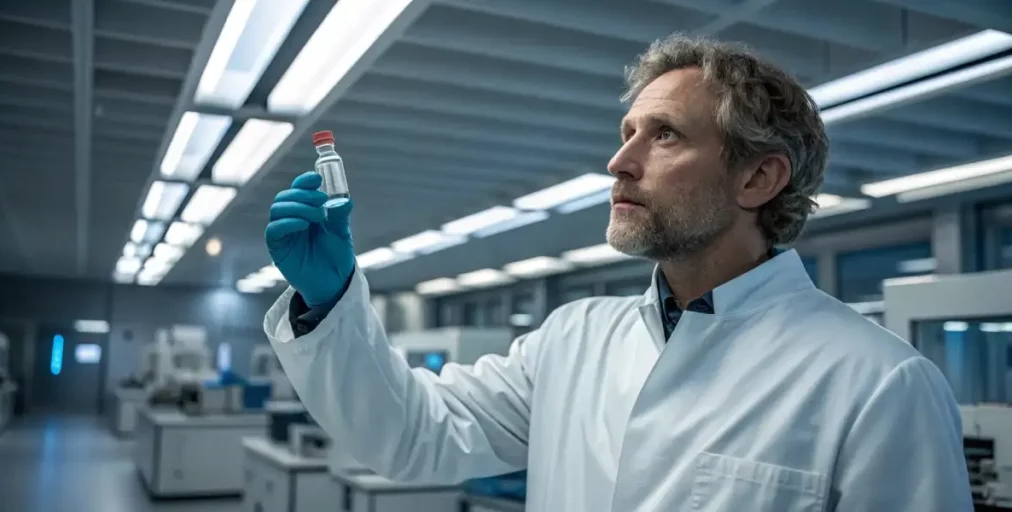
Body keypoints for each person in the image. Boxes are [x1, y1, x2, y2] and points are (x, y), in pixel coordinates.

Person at [263, 34, 972, 511]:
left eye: (664, 135)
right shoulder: (572, 339)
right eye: (626, 133)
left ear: (758, 176)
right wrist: (330, 305)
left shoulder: (878, 384)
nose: (619, 162)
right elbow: (412, 437)